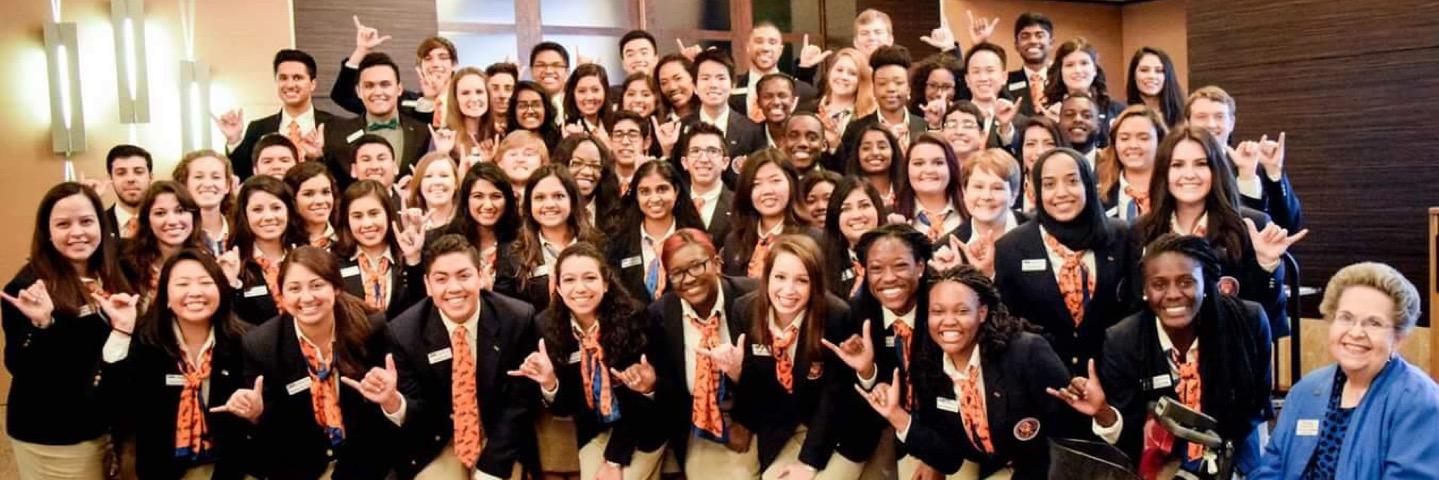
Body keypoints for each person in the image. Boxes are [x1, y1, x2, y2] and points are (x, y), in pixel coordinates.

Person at [1050, 234, 1272, 478]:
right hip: (1159, 464)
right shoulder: (1123, 340)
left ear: (1206, 283)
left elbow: (1256, 406)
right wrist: (1104, 413)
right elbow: (1129, 438)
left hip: (1235, 451)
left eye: (1186, 282)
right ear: (1145, 290)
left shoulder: (1248, 321)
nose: (1173, 294)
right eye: (1159, 284)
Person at [859, 265, 1073, 479]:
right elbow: (949, 459)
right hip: (990, 467)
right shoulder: (929, 367)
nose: (948, 321)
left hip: (1046, 469)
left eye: (962, 311)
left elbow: (1070, 431)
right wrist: (897, 416)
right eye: (938, 312)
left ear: (982, 312)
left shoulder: (1025, 352)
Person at [210, 246, 391, 479]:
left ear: (336, 287)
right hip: (299, 466)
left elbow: (382, 419)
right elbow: (273, 433)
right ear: (282, 295)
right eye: (294, 288)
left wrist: (390, 398)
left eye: (316, 285)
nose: (307, 298)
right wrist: (256, 413)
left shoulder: (370, 328)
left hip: (364, 463)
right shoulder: (262, 344)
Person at [374, 234, 538, 479]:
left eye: (463, 276)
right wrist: (393, 403)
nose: (454, 288)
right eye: (441, 279)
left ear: (481, 276)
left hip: (498, 437)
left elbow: (518, 404)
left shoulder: (516, 318)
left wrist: (491, 469)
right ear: (428, 285)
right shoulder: (404, 333)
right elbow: (418, 412)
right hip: (439, 440)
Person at [1256, 262, 1439, 479]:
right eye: (1346, 318)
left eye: (1374, 323)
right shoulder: (1306, 390)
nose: (1356, 333)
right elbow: (1271, 468)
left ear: (1398, 337)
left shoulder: (1419, 402)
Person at [2, 182, 135, 479]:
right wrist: (42, 325)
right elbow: (17, 364)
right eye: (63, 224)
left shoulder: (112, 271)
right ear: (47, 232)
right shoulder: (29, 286)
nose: (77, 232)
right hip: (56, 433)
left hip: (105, 425)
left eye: (86, 221)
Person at [512, 243, 668, 479]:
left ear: (605, 283)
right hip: (594, 429)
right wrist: (550, 383)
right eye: (569, 280)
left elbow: (643, 405)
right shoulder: (546, 327)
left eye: (590, 278)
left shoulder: (634, 318)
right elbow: (565, 407)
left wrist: (614, 460)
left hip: (643, 425)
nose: (580, 288)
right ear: (558, 287)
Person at [1131, 126, 1304, 338]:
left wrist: (1267, 266)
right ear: (1163, 173)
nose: (1189, 174)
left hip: (1231, 345)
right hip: (1160, 349)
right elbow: (1134, 309)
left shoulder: (1249, 225)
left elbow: (1268, 317)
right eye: (1177, 165)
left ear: (1216, 170)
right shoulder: (1142, 230)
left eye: (1201, 164)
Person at [104, 249, 254, 479]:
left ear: (221, 290)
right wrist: (122, 331)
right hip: (164, 470)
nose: (195, 292)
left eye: (205, 282)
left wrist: (256, 413)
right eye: (182, 284)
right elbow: (113, 408)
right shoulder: (146, 343)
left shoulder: (244, 341)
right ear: (165, 296)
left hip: (228, 469)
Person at [724, 234, 860, 479]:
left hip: (822, 423)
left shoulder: (835, 315)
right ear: (766, 277)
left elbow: (833, 395)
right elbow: (754, 385)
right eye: (780, 277)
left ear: (815, 284)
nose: (788, 290)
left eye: (801, 280)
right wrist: (736, 375)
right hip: (774, 421)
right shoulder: (745, 310)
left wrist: (808, 462)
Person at [994, 148, 1137, 375]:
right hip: (1042, 379)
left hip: (1113, 376)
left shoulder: (1122, 236)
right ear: (1037, 191)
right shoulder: (1011, 247)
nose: (1061, 193)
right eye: (1049, 184)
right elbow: (1009, 326)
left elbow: (1133, 312)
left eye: (1072, 181)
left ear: (1088, 184)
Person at [647, 228, 762, 478]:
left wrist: (745, 421)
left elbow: (773, 374)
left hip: (757, 413)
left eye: (697, 266)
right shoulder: (661, 314)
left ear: (717, 263)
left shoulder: (752, 298)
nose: (688, 279)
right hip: (699, 420)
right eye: (677, 273)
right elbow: (670, 387)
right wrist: (650, 385)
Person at [823, 224, 929, 478]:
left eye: (900, 266)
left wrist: (933, 456)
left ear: (920, 267)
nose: (888, 277)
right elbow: (842, 393)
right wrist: (868, 372)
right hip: (877, 429)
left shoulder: (940, 307)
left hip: (942, 429)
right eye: (877, 269)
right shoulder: (857, 312)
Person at [1185, 85, 1303, 231]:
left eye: (1219, 116)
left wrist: (1273, 172)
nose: (1211, 124)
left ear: (1231, 123)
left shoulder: (1254, 165)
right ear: (1187, 123)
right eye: (1202, 117)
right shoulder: (1175, 167)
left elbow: (1288, 226)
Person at [494, 164, 605, 311]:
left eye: (558, 196)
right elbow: (506, 312)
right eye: (540, 197)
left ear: (572, 200)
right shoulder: (511, 253)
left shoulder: (601, 245)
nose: (550, 204)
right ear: (529, 204)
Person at [221, 49, 335, 179]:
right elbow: (241, 175)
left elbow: (344, 178)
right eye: (283, 78)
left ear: (313, 84)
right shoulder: (258, 128)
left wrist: (319, 157)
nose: (290, 85)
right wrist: (234, 140)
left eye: (297, 78)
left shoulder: (334, 126)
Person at [323, 53, 433, 181]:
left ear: (399, 89)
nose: (378, 92)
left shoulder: (424, 133)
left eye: (385, 84)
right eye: (369, 86)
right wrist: (317, 156)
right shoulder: (339, 134)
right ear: (358, 91)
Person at [609, 160, 705, 304]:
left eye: (662, 189)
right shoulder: (619, 243)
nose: (654, 198)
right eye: (645, 191)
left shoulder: (696, 239)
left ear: (676, 191)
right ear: (636, 196)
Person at [720, 149, 823, 278]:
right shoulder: (734, 241)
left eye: (775, 181)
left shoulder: (813, 238)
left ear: (791, 183)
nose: (767, 191)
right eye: (756, 184)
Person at [335, 180, 427, 320]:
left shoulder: (410, 255)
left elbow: (423, 307)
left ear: (388, 214)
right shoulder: (334, 260)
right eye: (357, 216)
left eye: (374, 213)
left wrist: (413, 259)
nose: (367, 224)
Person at [224, 175, 307, 325]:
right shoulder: (234, 264)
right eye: (257, 210)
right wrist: (230, 284)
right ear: (244, 215)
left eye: (276, 208)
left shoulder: (307, 255)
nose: (268, 217)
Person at [334, 22, 456, 124]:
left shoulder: (464, 97)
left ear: (454, 64)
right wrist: (361, 50)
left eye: (443, 57)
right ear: (419, 66)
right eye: (428, 59)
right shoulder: (405, 101)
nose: (435, 64)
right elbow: (343, 96)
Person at [836, 46, 926, 168]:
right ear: (873, 89)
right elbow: (845, 170)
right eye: (882, 83)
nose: (891, 89)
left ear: (908, 89)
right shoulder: (856, 129)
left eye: (898, 83)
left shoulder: (923, 126)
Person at [123, 181, 208, 306]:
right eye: (160, 213)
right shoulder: (128, 267)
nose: (172, 221)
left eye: (180, 211)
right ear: (147, 221)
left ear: (193, 217)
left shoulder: (208, 262)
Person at [442, 162, 522, 288]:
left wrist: (490, 293)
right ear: (466, 200)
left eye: (496, 196)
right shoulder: (445, 240)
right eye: (478, 196)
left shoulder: (523, 242)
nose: (488, 205)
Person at [955, 148, 1028, 277]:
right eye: (978, 187)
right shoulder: (950, 247)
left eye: (997, 188)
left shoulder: (1040, 232)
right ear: (964, 192)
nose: (987, 196)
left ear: (1014, 195)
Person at [685, 50, 766, 163]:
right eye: (705, 78)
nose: (713, 85)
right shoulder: (680, 129)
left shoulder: (752, 131)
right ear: (694, 86)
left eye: (721, 78)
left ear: (733, 85)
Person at [1042, 38, 1124, 148]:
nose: (1077, 70)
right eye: (1070, 65)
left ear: (1094, 70)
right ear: (1060, 71)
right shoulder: (1048, 112)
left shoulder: (1116, 111)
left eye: (1084, 63)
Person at [731, 23, 818, 120]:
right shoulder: (730, 89)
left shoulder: (801, 91)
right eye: (759, 42)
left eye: (772, 43)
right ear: (748, 47)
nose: (765, 48)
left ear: (780, 50)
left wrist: (805, 69)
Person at [894, 134, 966, 248]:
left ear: (951, 167)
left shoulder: (970, 213)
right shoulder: (892, 216)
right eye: (918, 163)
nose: (928, 170)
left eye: (938, 162)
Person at [1097, 105, 1167, 223]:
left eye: (1143, 138)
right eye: (1124, 138)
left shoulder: (1175, 193)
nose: (1133, 145)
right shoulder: (1097, 198)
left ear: (1160, 142)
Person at [820, 177, 885, 300]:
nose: (856, 215)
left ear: (877, 209)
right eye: (846, 209)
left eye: (864, 205)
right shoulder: (822, 263)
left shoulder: (898, 252)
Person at [800, 48, 874, 150]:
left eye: (852, 73)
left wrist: (835, 144)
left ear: (861, 80)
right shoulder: (806, 110)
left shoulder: (869, 118)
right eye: (839, 70)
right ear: (830, 72)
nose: (844, 77)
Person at [679, 122, 736, 248]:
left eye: (712, 151)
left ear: (725, 162)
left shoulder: (740, 205)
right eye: (695, 151)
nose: (704, 159)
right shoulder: (674, 204)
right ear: (684, 162)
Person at [964, 43, 1024, 149]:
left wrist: (1005, 128)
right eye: (976, 72)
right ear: (967, 79)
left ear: (1004, 77)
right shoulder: (953, 117)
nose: (983, 78)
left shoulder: (1021, 123)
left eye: (990, 71)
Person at [173, 150, 235, 254]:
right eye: (199, 177)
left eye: (216, 177)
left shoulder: (241, 229)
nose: (208, 184)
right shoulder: (175, 233)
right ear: (184, 184)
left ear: (227, 186)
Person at [444, 66, 502, 162]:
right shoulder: (444, 137)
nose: (474, 99)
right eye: (465, 93)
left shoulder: (499, 135)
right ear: (455, 99)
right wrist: (443, 153)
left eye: (479, 92)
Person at [100, 144, 154, 240]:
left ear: (151, 177)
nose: (130, 179)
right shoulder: (99, 223)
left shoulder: (164, 222)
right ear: (110, 178)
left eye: (138, 172)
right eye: (121, 173)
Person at [1015, 116, 1068, 213]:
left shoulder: (1068, 189)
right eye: (1031, 144)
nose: (1039, 152)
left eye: (1049, 144)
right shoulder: (1011, 185)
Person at [1006, 12, 1055, 117]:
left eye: (1039, 35)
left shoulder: (1062, 79)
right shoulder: (1005, 82)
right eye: (1025, 36)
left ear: (1051, 43)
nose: (1033, 41)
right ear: (1016, 45)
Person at [284, 162, 341, 248]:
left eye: (326, 192)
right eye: (308, 194)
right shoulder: (281, 241)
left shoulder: (347, 238)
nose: (320, 201)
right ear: (292, 199)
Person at [844, 124, 902, 208]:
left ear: (893, 151)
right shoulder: (848, 194)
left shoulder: (907, 191)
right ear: (857, 154)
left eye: (882, 147)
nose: (875, 152)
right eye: (866, 148)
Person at [1125, 47, 1184, 128]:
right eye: (1144, 70)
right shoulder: (1122, 113)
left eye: (1159, 71)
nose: (1152, 76)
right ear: (1133, 75)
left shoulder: (1184, 113)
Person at [407, 152, 461, 230]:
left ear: (456, 183)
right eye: (428, 176)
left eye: (444, 176)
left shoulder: (468, 221)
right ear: (419, 184)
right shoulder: (408, 223)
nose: (437, 182)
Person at [507, 81, 564, 151]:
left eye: (536, 105)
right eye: (523, 106)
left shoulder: (560, 140)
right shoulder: (504, 141)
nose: (530, 111)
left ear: (546, 109)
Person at [562, 63, 612, 135]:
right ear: (572, 94)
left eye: (595, 90)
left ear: (605, 91)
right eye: (582, 91)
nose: (589, 97)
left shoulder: (616, 125)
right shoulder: (566, 130)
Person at [755, 73, 800, 149]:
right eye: (768, 97)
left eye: (782, 96)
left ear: (794, 100)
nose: (776, 102)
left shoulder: (806, 133)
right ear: (758, 102)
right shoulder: (749, 137)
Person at [530, 42, 572, 123]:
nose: (548, 71)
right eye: (541, 65)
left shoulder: (579, 106)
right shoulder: (522, 107)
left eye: (556, 65)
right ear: (531, 71)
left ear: (567, 72)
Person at [653, 54, 698, 122]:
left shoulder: (709, 114)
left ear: (692, 77)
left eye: (678, 78)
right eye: (664, 83)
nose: (672, 87)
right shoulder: (657, 122)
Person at [487, 62, 521, 136]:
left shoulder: (524, 128)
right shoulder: (477, 129)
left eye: (508, 89)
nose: (502, 95)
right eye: (495, 88)